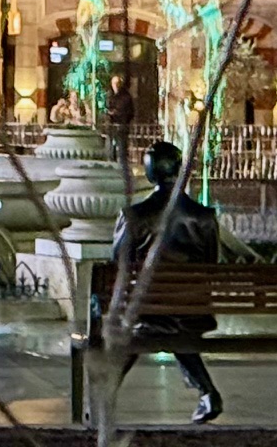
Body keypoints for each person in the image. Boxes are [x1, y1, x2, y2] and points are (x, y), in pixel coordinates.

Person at [108, 140, 256, 424]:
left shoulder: (134, 216)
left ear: (150, 173)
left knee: (147, 328)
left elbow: (119, 263)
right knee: (172, 330)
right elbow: (210, 265)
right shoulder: (205, 217)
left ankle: (105, 393)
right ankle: (208, 393)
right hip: (193, 311)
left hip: (149, 310)